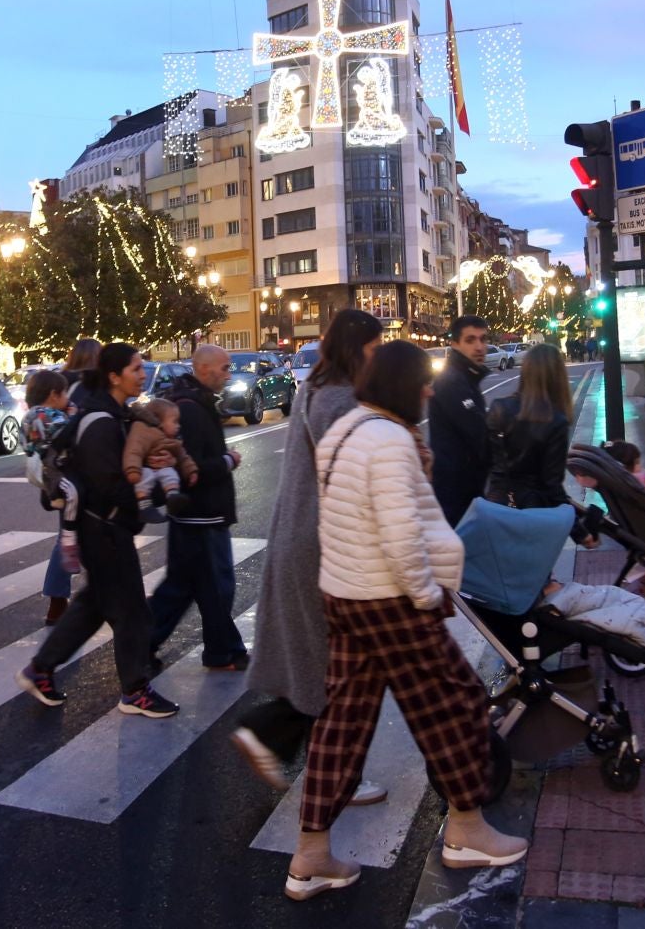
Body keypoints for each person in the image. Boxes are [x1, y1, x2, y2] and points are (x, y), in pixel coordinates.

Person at [286, 340, 526, 901]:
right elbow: (399, 534)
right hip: (388, 597)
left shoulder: (347, 429)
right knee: (456, 702)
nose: (427, 392)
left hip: (345, 592)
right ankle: (466, 829)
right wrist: (424, 594)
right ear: (402, 384)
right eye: (422, 383)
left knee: (342, 722)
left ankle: (311, 854)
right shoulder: (389, 441)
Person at [235, 308, 387, 796]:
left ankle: (283, 741)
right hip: (324, 541)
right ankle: (285, 742)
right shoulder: (340, 400)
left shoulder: (315, 390)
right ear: (355, 348)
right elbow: (356, 476)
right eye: (374, 346)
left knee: (326, 658)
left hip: (301, 533)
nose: (378, 355)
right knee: (342, 662)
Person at [18, 342, 180, 718]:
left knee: (94, 605)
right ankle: (135, 690)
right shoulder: (101, 422)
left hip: (104, 527)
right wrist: (149, 488)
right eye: (136, 369)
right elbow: (110, 484)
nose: (143, 374)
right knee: (132, 612)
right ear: (113, 376)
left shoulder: (115, 414)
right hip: (102, 529)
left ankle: (41, 668)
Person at [148, 344, 249, 671]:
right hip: (202, 514)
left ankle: (222, 650)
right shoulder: (190, 410)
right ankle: (222, 652)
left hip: (194, 514)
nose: (227, 374)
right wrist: (227, 460)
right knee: (214, 586)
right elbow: (189, 468)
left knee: (185, 588)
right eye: (224, 367)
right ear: (203, 369)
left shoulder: (191, 403)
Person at [484, 343, 573, 509]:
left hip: (498, 505)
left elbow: (490, 464)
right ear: (558, 376)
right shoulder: (556, 421)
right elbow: (552, 485)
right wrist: (580, 532)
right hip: (536, 511)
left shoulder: (499, 408)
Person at [427, 315, 493, 527]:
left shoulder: (466, 378)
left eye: (483, 339)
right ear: (454, 344)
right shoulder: (452, 381)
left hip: (465, 487)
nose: (479, 347)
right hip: (455, 492)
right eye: (470, 340)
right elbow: (478, 432)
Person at [23, 370, 76, 625]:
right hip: (63, 481)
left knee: (66, 535)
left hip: (49, 482)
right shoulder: (50, 416)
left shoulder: (30, 416)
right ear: (53, 395)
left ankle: (58, 598)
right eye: (64, 393)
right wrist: (75, 416)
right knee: (68, 537)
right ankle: (57, 598)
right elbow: (70, 435)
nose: (68, 397)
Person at [122, 399, 198, 512]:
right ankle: (144, 502)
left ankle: (173, 496)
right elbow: (134, 450)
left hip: (163, 468)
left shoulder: (173, 439)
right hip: (147, 468)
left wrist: (191, 470)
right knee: (145, 477)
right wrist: (133, 470)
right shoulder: (144, 431)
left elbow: (183, 456)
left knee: (170, 474)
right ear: (160, 421)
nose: (178, 426)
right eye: (175, 422)